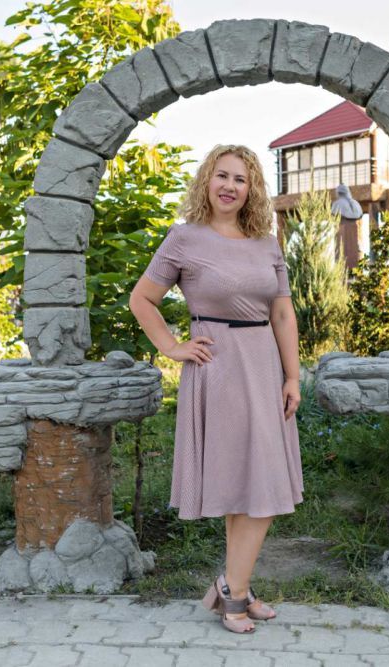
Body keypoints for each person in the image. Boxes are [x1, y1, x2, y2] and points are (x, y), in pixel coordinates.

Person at [128, 144, 303, 634]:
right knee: (246, 486)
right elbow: (142, 299)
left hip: (264, 366)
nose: (230, 186)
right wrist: (172, 346)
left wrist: (292, 376)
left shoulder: (267, 243)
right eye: (222, 176)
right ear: (207, 180)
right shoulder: (184, 238)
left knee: (258, 483)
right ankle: (235, 594)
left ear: (252, 190)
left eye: (240, 179)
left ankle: (232, 585)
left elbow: (282, 313)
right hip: (219, 368)